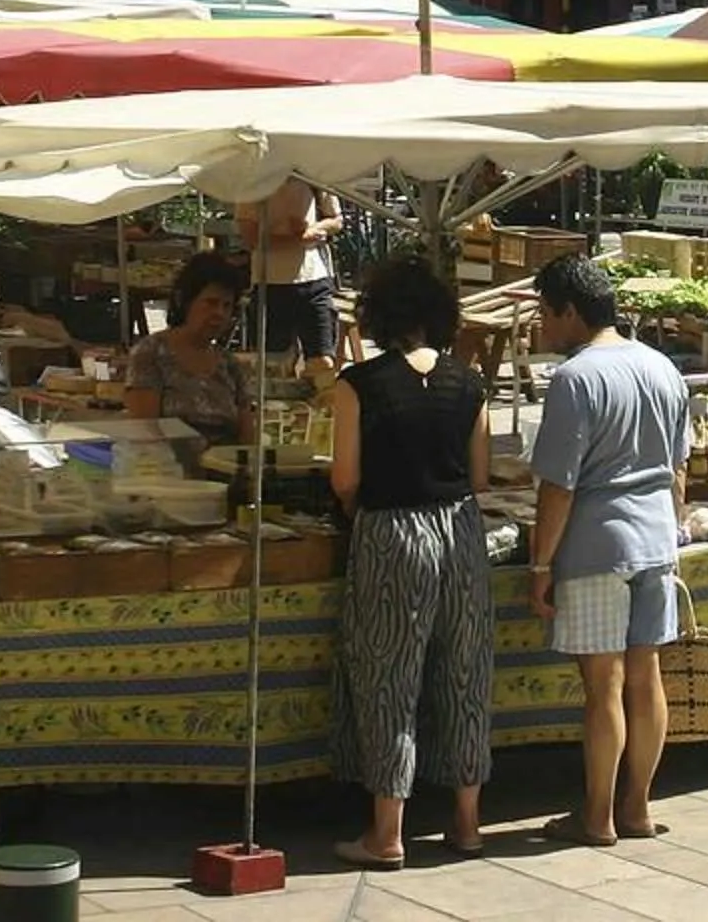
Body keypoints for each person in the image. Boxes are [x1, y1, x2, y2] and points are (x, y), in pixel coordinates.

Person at [327, 257, 493, 870]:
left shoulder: (358, 383)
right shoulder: (469, 383)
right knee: (465, 673)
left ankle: (387, 831)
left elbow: (345, 478)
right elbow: (480, 476)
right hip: (461, 531)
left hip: (392, 532)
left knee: (388, 676)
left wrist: (356, 510)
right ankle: (468, 823)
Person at [525, 253, 690, 847]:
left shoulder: (576, 379)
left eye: (546, 314)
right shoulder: (663, 368)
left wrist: (541, 564)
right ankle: (637, 806)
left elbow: (559, 486)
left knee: (604, 686)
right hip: (655, 540)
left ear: (570, 312)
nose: (543, 326)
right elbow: (679, 472)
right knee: (645, 678)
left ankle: (598, 816)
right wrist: (672, 530)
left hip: (597, 545)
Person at [124, 254, 258, 445]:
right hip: (166, 461)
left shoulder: (230, 365)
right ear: (184, 301)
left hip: (225, 461)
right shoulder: (151, 353)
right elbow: (145, 430)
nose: (219, 313)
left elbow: (247, 436)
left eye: (227, 306)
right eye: (211, 303)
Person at [239, 176, 345, 368]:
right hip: (269, 283)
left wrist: (315, 228)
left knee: (323, 361)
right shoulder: (253, 181)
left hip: (314, 280)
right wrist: (299, 240)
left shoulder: (314, 177)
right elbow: (250, 237)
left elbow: (337, 221)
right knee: (273, 364)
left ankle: (316, 387)